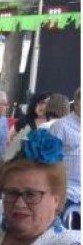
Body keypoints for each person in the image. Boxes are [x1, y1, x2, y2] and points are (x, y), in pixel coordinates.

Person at [51, 88, 80, 229]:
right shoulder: (60, 126)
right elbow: (50, 158)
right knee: (61, 234)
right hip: (66, 191)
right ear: (77, 103)